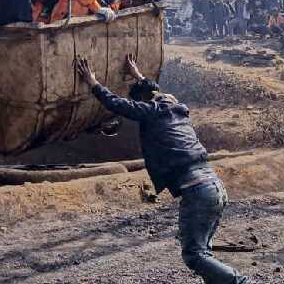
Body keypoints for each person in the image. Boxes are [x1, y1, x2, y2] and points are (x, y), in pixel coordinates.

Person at [76, 55, 250, 284]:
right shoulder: (175, 108)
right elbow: (155, 93)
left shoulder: (150, 112)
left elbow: (116, 104)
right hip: (214, 186)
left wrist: (93, 83)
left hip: (197, 190)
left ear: (143, 102)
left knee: (194, 256)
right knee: (203, 253)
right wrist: (138, 76)